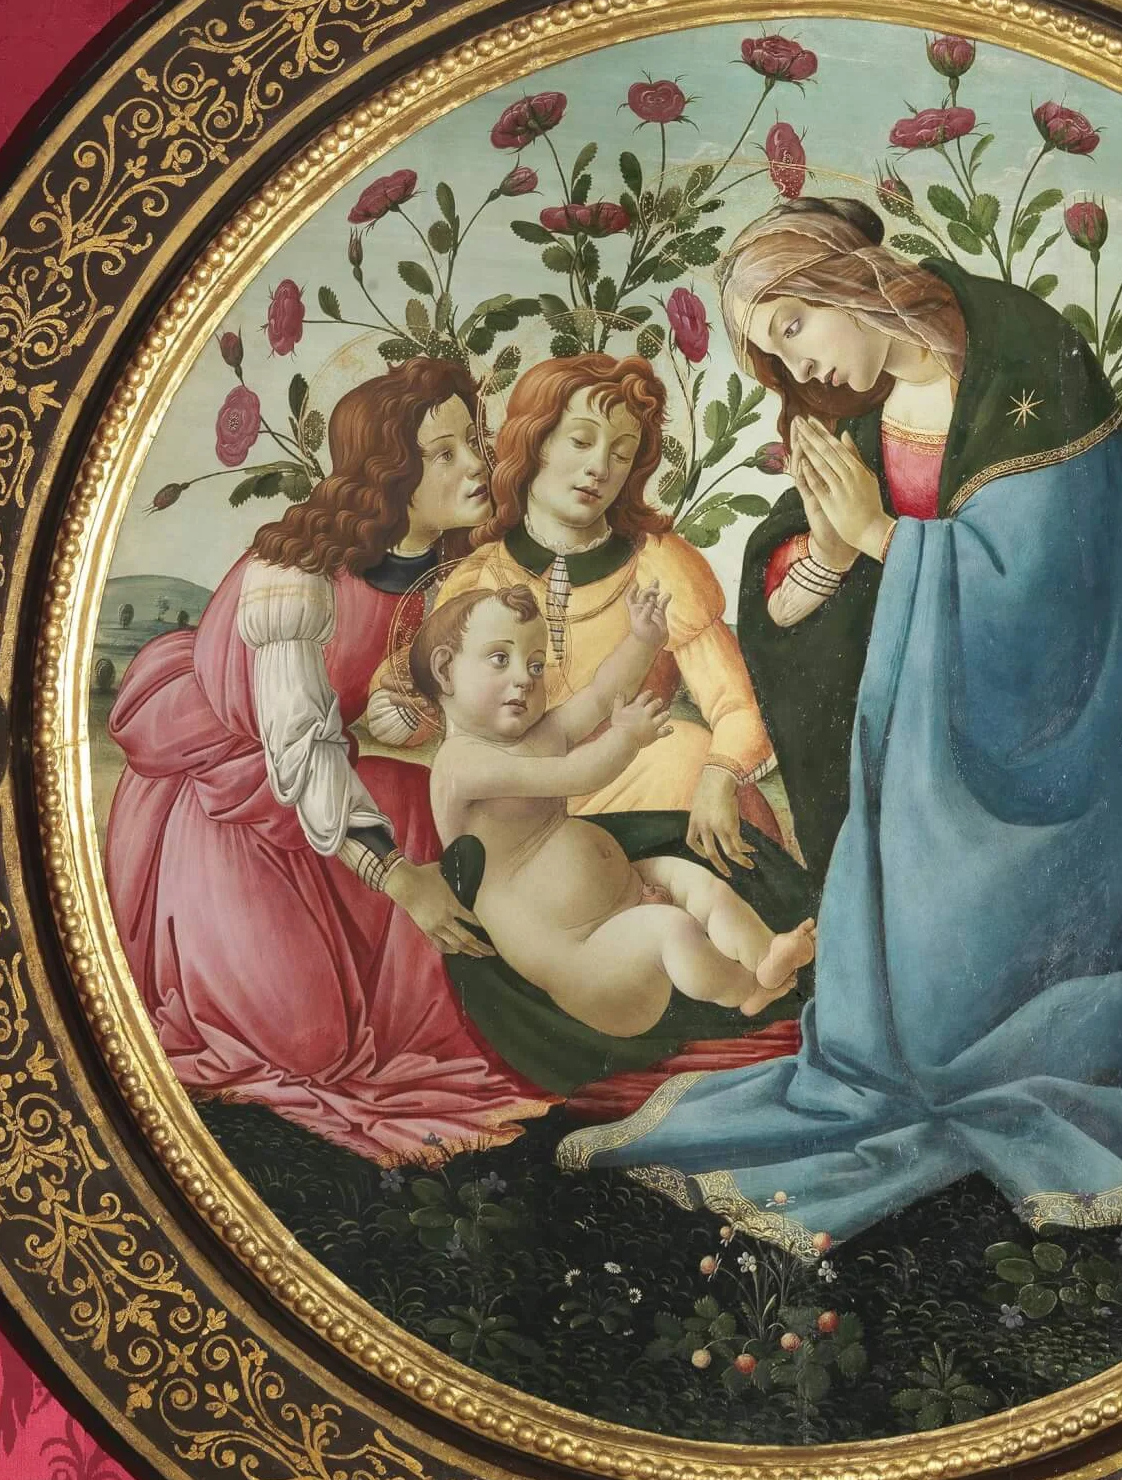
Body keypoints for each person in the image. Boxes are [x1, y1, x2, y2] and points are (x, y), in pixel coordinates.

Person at [558, 198, 1122, 1253]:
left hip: (1067, 764)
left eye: (790, 327)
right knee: (901, 1007)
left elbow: (1051, 597)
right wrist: (834, 551)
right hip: (922, 746)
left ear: (840, 279)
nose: (795, 365)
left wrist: (884, 539)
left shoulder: (1023, 361)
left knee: (1006, 1010)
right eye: (771, 352)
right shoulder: (853, 413)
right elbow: (798, 588)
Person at [103, 357, 549, 1161]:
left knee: (443, 823)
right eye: (443, 454)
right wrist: (397, 879)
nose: (475, 466)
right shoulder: (294, 575)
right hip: (224, 801)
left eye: (472, 444)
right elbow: (299, 743)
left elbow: (384, 707)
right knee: (308, 1043)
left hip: (320, 791)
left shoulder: (446, 570)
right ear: (391, 473)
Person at [368, 353, 778, 873]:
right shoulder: (479, 576)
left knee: (687, 752)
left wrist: (719, 776)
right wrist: (400, 706)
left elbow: (737, 705)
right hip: (518, 803)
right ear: (534, 440)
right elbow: (424, 694)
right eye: (581, 442)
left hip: (633, 779)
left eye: (621, 454)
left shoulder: (659, 563)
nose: (600, 468)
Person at [416, 579, 816, 1035]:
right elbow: (574, 775)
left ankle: (766, 957)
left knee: (696, 881)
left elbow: (601, 694)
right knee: (672, 929)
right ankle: (747, 992)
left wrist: (643, 640)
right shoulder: (461, 764)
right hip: (587, 964)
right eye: (500, 659)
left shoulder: (537, 734)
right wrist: (625, 738)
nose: (525, 678)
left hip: (626, 898)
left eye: (536, 664)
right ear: (445, 671)